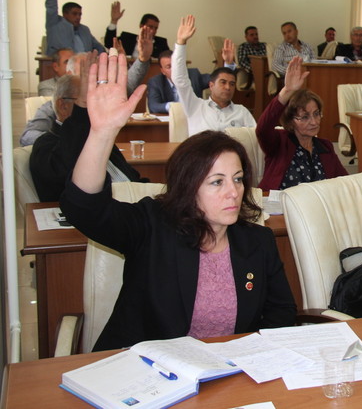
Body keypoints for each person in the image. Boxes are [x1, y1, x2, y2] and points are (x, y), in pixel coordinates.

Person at [59, 50, 296, 351]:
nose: (234, 192)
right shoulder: (153, 226)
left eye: (237, 179)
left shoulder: (258, 242)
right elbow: (84, 208)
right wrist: (102, 134)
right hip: (145, 370)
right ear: (188, 186)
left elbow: (281, 314)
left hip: (229, 371)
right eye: (217, 182)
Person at [30, 55, 142, 202]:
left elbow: (131, 177)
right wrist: (82, 109)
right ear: (62, 106)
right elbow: (64, 177)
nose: (96, 106)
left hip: (134, 202)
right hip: (99, 211)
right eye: (88, 100)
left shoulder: (98, 135)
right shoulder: (46, 145)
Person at [255, 57, 348, 190]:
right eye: (305, 117)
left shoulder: (325, 147)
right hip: (280, 202)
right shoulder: (279, 142)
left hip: (316, 202)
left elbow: (345, 181)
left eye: (316, 114)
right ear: (290, 121)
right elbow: (262, 129)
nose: (314, 122)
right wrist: (287, 91)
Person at [172, 16, 256, 134]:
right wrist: (181, 43)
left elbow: (254, 139)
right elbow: (180, 80)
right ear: (211, 85)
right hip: (202, 146)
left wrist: (229, 65)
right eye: (223, 83)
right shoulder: (196, 106)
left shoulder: (241, 112)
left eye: (232, 84)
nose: (228, 87)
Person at [104, 2, 169, 58]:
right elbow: (109, 43)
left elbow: (168, 58)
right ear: (141, 26)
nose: (153, 31)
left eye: (156, 28)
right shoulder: (127, 38)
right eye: (150, 27)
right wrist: (114, 21)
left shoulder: (161, 43)